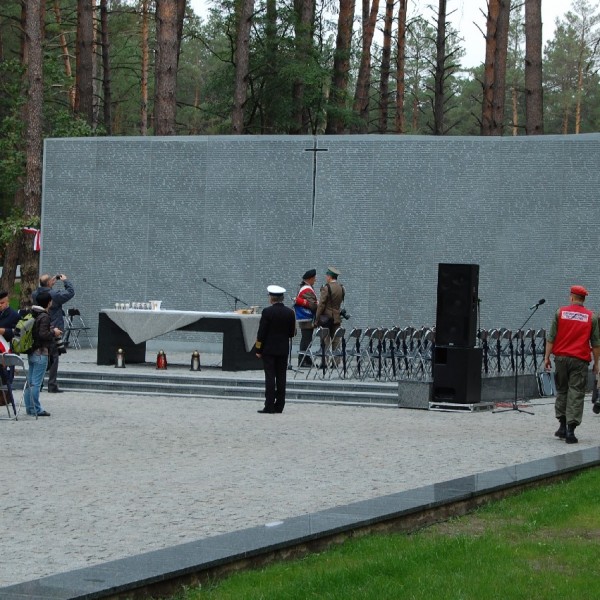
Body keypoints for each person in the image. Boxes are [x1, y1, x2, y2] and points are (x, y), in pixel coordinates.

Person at [544, 285, 600, 444]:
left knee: (562, 390)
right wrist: (597, 363)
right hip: (579, 360)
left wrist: (547, 357)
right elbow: (596, 344)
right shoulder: (591, 317)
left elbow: (551, 337)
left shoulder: (560, 313)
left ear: (571, 297)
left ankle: (561, 426)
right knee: (576, 392)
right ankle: (571, 430)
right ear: (583, 299)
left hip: (561, 358)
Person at [255, 285, 296, 414]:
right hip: (283, 349)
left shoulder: (267, 312)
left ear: (272, 298)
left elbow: (261, 333)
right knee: (281, 377)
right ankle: (280, 406)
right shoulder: (290, 312)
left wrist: (258, 349)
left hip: (269, 350)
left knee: (270, 377)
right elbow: (291, 333)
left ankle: (269, 406)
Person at [32, 273, 74, 393]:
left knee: (40, 356)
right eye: (50, 280)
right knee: (54, 357)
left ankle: (38, 384)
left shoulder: (35, 294)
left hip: (39, 328)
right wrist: (66, 281)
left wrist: (50, 282)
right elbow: (70, 293)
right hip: (53, 328)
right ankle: (52, 385)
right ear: (49, 283)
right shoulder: (53, 295)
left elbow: (44, 287)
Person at [24, 291, 62, 416]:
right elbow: (43, 334)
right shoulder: (44, 316)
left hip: (32, 351)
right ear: (49, 302)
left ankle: (29, 407)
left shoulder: (33, 313)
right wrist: (54, 332)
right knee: (36, 383)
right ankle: (36, 408)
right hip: (41, 352)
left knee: (30, 381)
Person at [294, 269, 318, 367]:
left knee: (307, 340)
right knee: (306, 340)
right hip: (306, 318)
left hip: (306, 318)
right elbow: (312, 305)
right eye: (314, 278)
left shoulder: (306, 287)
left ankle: (307, 359)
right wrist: (318, 304)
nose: (315, 280)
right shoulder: (307, 289)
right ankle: (302, 360)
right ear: (310, 278)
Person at [314, 266, 345, 341]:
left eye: (327, 276)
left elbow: (321, 305)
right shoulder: (341, 288)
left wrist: (316, 319)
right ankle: (337, 353)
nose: (326, 277)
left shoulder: (326, 288)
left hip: (326, 319)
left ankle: (326, 353)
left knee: (325, 342)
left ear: (330, 276)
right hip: (336, 318)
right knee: (336, 342)